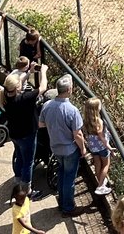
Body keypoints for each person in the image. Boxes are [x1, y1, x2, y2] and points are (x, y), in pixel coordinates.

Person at [38, 74, 89, 217]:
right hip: (69, 150)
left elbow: (41, 124)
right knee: (69, 178)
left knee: (61, 173)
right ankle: (68, 208)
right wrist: (83, 149)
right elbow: (77, 134)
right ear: (68, 90)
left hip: (55, 147)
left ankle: (61, 202)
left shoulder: (47, 105)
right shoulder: (72, 110)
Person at [0, 69, 39, 193]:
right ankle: (27, 190)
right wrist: (43, 71)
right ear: (17, 87)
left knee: (19, 156)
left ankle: (17, 180)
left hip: (15, 135)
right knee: (28, 162)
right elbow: (42, 87)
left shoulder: (4, 96)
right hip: (27, 135)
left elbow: (17, 84)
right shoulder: (25, 99)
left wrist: (29, 72)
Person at [84, 97, 112, 195]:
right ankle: (100, 186)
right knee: (106, 164)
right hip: (102, 147)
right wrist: (109, 147)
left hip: (93, 147)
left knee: (97, 163)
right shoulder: (99, 121)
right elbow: (101, 136)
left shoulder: (86, 120)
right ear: (96, 109)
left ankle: (100, 180)